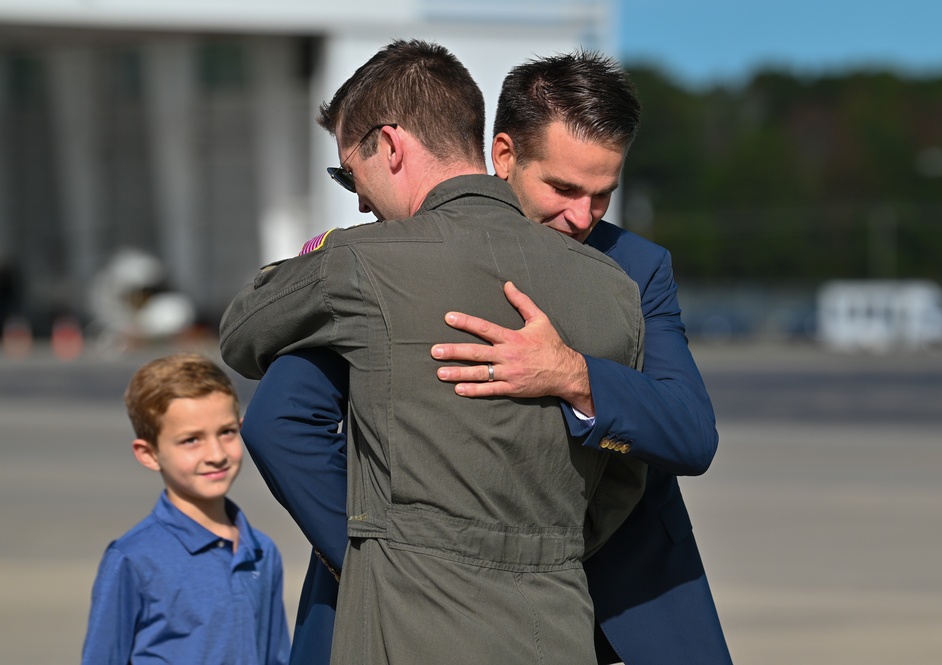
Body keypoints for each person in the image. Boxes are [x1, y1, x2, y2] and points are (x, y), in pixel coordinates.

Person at [246, 52, 732, 665]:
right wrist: (398, 564)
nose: (581, 218)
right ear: (502, 155)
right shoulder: (395, 263)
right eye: (562, 188)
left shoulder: (634, 269)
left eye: (602, 196)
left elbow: (689, 434)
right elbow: (282, 423)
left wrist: (576, 377)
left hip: (623, 607)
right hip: (410, 610)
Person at [80, 353, 290, 665]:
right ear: (149, 454)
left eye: (226, 432)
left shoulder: (262, 551)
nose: (216, 454)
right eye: (192, 440)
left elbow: (277, 656)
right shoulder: (132, 559)